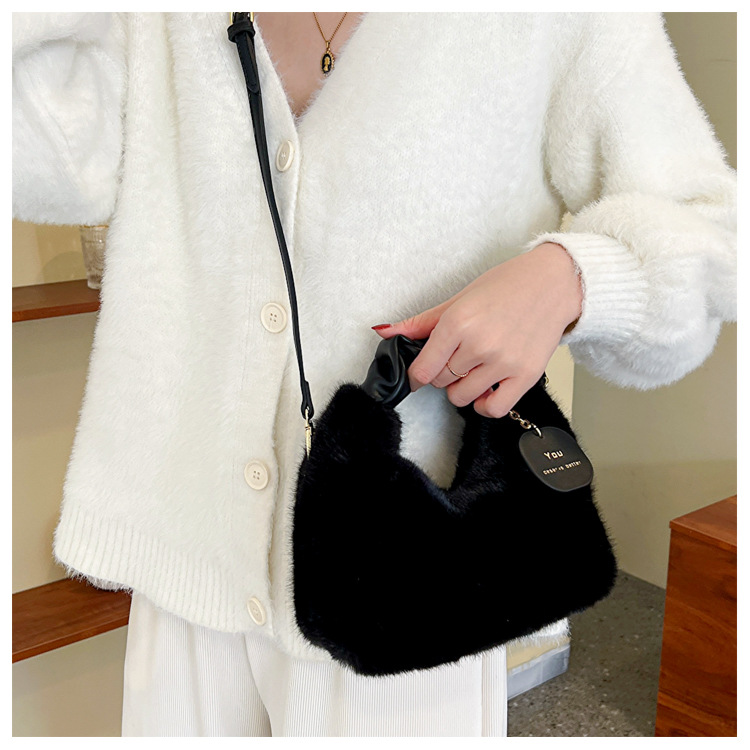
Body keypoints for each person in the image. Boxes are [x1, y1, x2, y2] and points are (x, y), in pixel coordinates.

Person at [12, 11, 736, 737]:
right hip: (183, 568)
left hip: (410, 582)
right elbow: (40, 161)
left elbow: (716, 233)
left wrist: (570, 279)